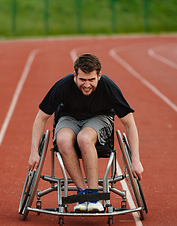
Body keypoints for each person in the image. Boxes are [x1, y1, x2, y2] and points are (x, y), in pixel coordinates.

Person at [28, 53, 143, 212]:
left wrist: (135, 160)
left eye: (91, 80)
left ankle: (94, 196)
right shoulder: (63, 86)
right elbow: (41, 118)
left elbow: (130, 124)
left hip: (100, 118)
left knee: (84, 138)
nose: (87, 84)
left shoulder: (109, 87)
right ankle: (83, 195)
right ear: (75, 76)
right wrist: (34, 152)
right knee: (62, 140)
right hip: (70, 118)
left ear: (99, 76)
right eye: (82, 79)